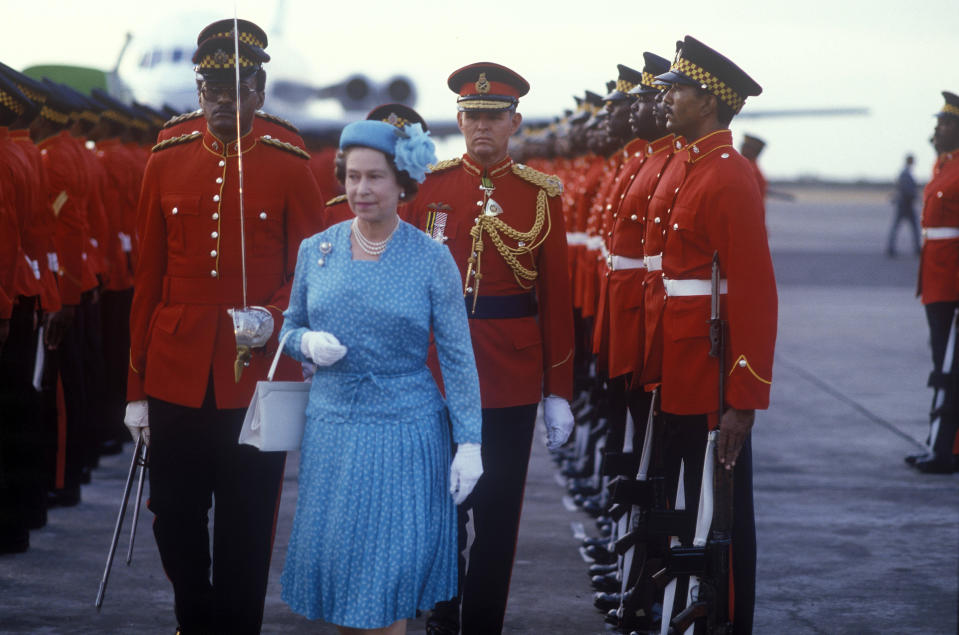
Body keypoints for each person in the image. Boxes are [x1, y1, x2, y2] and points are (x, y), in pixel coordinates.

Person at [123, 19, 323, 633]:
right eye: (211, 90)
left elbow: (313, 269)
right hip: (175, 365)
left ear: (259, 90)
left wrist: (274, 314)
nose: (222, 103)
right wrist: (135, 391)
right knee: (173, 513)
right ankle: (197, 616)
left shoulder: (289, 160)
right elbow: (148, 277)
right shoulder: (167, 155)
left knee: (247, 515)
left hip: (254, 371)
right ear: (199, 90)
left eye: (236, 90)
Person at [279, 119, 482, 635]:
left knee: (389, 580)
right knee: (345, 577)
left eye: (374, 178)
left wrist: (470, 443)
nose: (360, 190)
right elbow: (289, 325)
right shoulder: (316, 249)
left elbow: (457, 358)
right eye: (351, 177)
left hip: (405, 430)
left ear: (402, 183)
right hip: (333, 431)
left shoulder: (432, 259)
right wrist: (306, 343)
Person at [407, 62, 575, 635]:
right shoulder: (429, 187)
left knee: (498, 510)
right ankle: (443, 610)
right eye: (472, 116)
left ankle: (482, 623)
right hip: (437, 369)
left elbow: (555, 302)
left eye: (493, 117)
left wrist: (560, 392)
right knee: (441, 505)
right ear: (458, 120)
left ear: (515, 122)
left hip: (510, 372)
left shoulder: (541, 196)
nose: (482, 127)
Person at [650, 35, 777, 633]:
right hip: (684, 361)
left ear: (709, 99)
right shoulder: (695, 163)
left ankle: (725, 622)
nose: (668, 97)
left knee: (719, 514)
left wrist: (743, 399)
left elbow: (752, 290)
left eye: (679, 89)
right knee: (697, 507)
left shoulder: (728, 175)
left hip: (711, 368)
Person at [910, 91, 959, 474]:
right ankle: (939, 441)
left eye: (944, 123)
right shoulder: (943, 166)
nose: (937, 129)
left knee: (949, 367)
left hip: (952, 284)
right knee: (942, 361)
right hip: (937, 282)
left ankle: (945, 450)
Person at [886, 153, 921, 258]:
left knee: (900, 226)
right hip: (905, 204)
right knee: (905, 227)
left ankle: (892, 248)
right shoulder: (905, 173)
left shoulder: (906, 172)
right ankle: (892, 248)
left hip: (905, 203)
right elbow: (906, 189)